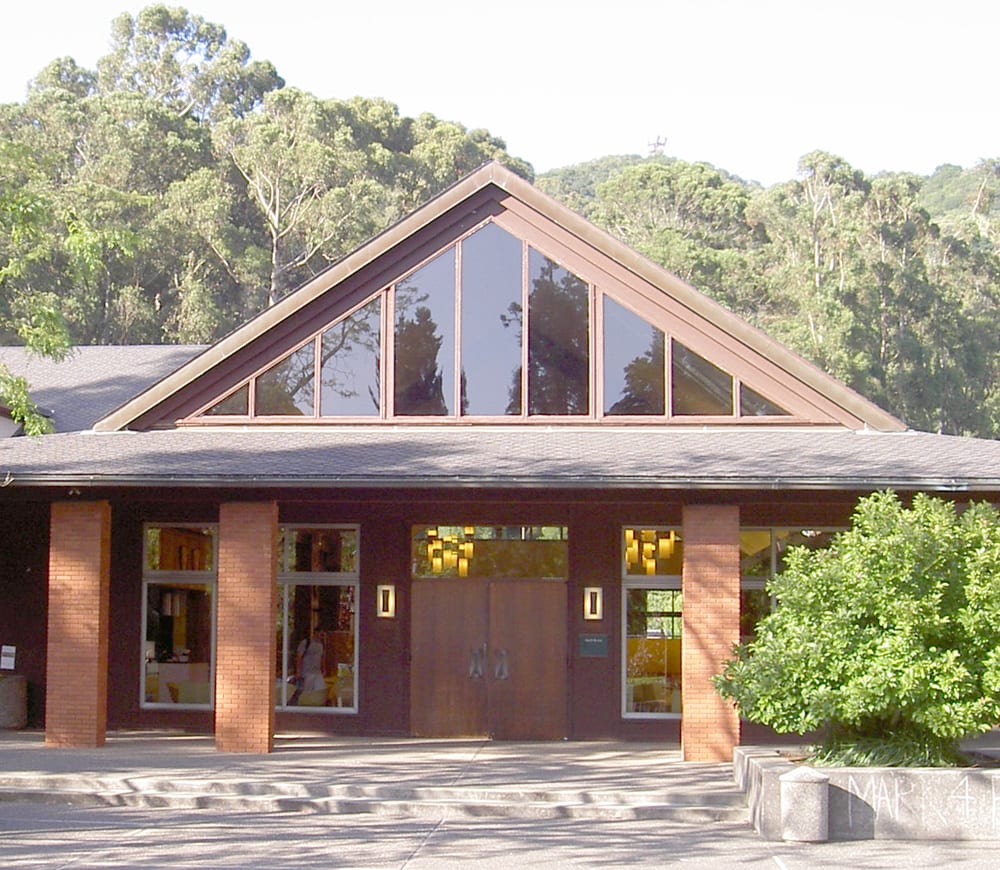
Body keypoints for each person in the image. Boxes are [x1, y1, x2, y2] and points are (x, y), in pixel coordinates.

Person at [292, 633, 326, 703]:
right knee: (307, 691)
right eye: (321, 635)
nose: (322, 637)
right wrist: (298, 671)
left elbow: (322, 658)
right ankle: (303, 704)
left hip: (317, 672)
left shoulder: (321, 644)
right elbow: (299, 657)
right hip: (307, 671)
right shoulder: (306, 643)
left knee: (321, 690)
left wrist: (323, 669)